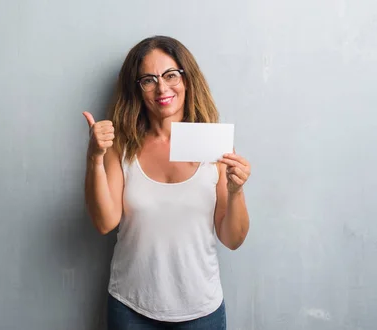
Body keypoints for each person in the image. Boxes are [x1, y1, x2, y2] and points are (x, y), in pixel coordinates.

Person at [82, 35, 251, 330]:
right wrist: (95, 158)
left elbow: (232, 239)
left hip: (201, 310)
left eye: (171, 75)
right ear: (137, 88)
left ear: (186, 78)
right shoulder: (122, 145)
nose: (162, 87)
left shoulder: (213, 143)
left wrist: (236, 191)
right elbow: (105, 222)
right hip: (131, 307)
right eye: (149, 79)